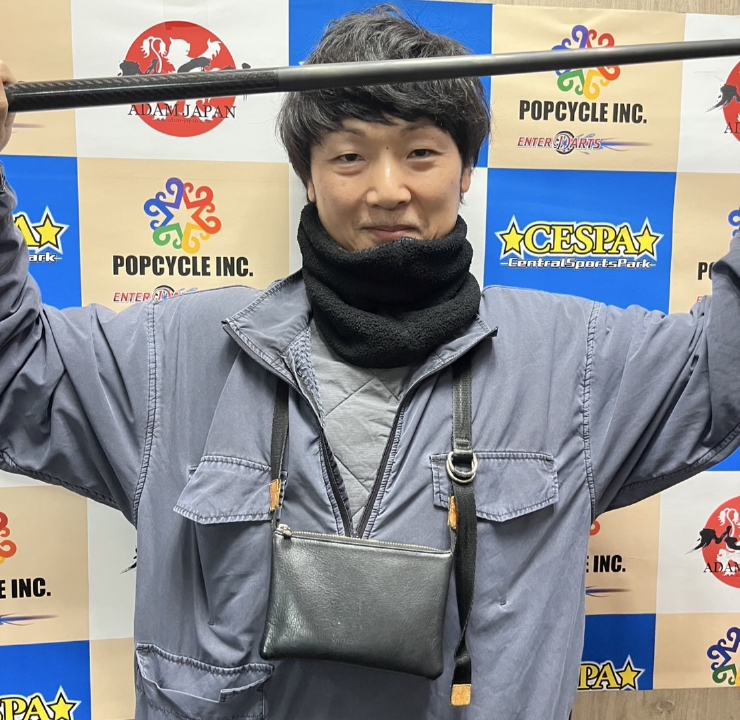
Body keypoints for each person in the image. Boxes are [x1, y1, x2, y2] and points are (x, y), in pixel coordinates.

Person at [1, 6, 739, 720]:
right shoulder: (179, 355)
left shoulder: (572, 361)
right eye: (349, 157)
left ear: (466, 170)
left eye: (421, 153)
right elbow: (16, 371)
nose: (388, 190)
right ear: (309, 175)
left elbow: (722, 370)